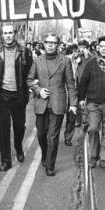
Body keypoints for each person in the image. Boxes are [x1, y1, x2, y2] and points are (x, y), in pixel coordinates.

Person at [27, 33, 77, 175]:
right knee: (41, 134)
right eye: (48, 42)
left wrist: (73, 104)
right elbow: (29, 80)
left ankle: (50, 165)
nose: (50, 45)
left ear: (58, 45)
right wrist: (38, 90)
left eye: (53, 43)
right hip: (41, 103)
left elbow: (71, 84)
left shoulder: (65, 61)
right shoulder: (37, 60)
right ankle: (45, 154)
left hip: (58, 103)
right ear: (44, 43)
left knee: (53, 136)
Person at [0, 23, 33, 172]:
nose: (8, 36)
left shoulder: (24, 51)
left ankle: (18, 147)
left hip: (19, 96)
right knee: (3, 129)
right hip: (2, 95)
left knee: (19, 127)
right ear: (2, 35)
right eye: (5, 33)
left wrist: (32, 86)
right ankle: (6, 160)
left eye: (10, 33)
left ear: (14, 34)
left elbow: (30, 72)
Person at [78, 36, 105, 169]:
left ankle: (104, 158)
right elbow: (83, 82)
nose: (104, 49)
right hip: (93, 103)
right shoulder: (90, 64)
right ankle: (94, 156)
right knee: (93, 128)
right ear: (98, 48)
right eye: (102, 46)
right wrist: (81, 98)